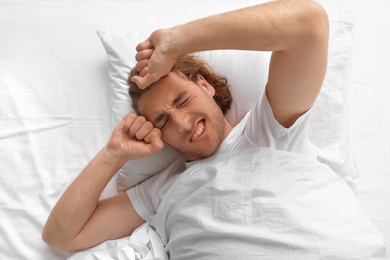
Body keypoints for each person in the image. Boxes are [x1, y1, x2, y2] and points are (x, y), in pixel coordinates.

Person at [42, 0, 329, 253]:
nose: (182, 123)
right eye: (163, 121)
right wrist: (113, 154)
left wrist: (176, 42)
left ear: (205, 86)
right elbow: (62, 236)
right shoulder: (161, 188)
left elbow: (309, 22)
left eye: (182, 101)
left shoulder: (270, 129)